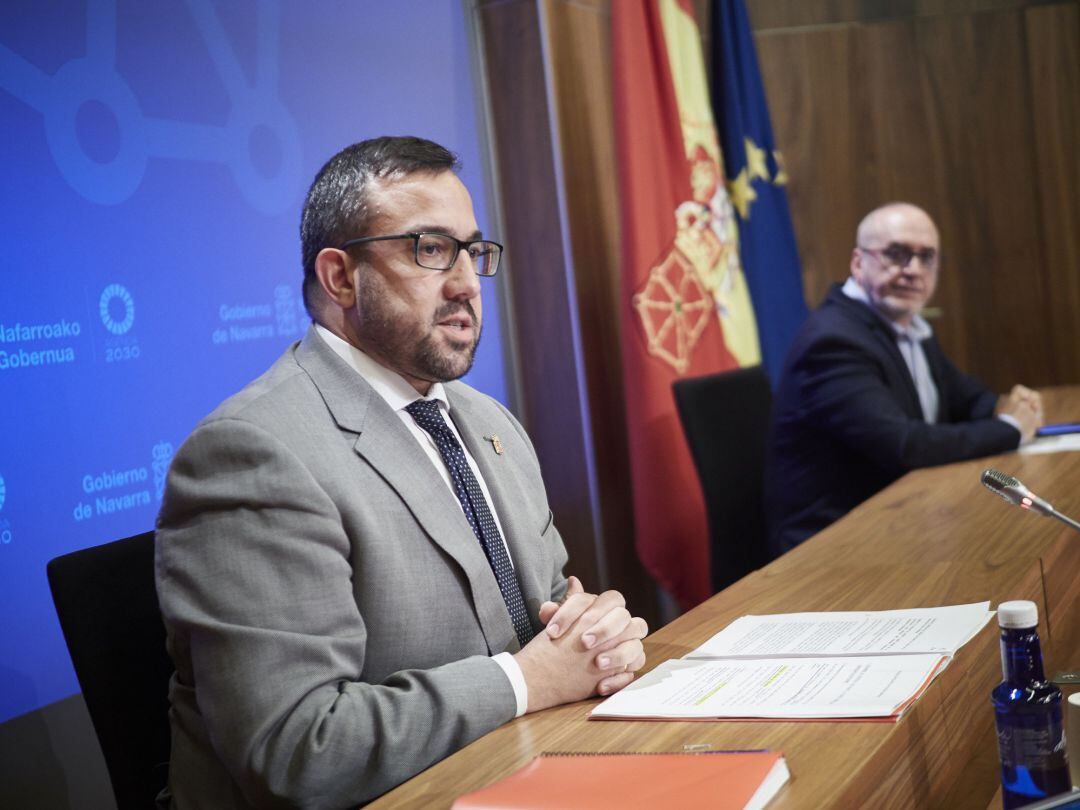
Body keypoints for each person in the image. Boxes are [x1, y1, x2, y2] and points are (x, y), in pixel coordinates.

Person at [155, 136, 648, 809]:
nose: (466, 283)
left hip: (523, 772)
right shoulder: (252, 454)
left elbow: (551, 610)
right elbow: (300, 748)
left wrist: (597, 631)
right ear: (339, 277)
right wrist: (525, 681)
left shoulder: (487, 421)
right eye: (429, 249)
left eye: (472, 251)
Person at [764, 202, 1042, 555]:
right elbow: (904, 445)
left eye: (926, 257)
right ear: (857, 262)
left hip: (901, 520)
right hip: (832, 547)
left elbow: (965, 398)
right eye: (896, 255)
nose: (913, 270)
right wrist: (1010, 428)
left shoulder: (906, 325)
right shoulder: (834, 341)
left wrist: (1011, 406)